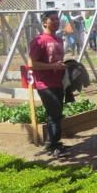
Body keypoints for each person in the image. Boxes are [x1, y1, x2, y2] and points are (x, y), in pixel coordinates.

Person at [28, 11, 67, 157]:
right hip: (45, 84)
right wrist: (53, 67)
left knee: (56, 114)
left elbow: (56, 61)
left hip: (58, 82)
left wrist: (65, 66)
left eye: (58, 19)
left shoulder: (58, 40)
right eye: (53, 19)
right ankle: (52, 145)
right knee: (54, 113)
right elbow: (31, 64)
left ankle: (54, 143)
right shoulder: (39, 41)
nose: (56, 22)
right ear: (45, 22)